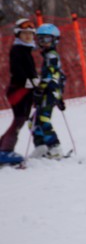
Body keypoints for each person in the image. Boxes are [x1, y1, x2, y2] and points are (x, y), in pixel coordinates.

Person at [0, 19, 39, 165]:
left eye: (30, 33)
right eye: (24, 33)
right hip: (19, 90)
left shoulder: (26, 50)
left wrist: (35, 81)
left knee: (20, 119)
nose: (28, 36)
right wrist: (30, 82)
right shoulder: (17, 50)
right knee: (19, 119)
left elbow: (30, 71)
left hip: (25, 90)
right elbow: (17, 71)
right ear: (18, 34)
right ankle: (5, 150)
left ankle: (2, 147)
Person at [29, 23, 67, 159]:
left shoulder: (51, 55)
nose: (43, 43)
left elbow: (51, 75)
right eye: (40, 39)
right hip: (50, 91)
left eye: (47, 39)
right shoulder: (48, 55)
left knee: (43, 118)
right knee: (33, 120)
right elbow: (60, 76)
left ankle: (55, 147)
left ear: (55, 40)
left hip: (49, 91)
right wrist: (60, 97)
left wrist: (40, 90)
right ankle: (41, 147)